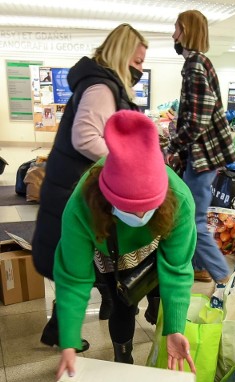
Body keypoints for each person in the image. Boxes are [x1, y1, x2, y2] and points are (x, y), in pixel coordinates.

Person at [54, 110, 197, 380]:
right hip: (111, 252)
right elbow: (73, 277)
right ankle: (123, 356)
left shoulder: (180, 198)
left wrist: (175, 328)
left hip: (154, 249)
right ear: (106, 196)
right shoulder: (81, 205)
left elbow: (177, 267)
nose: (139, 218)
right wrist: (70, 339)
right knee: (122, 305)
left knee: (158, 284)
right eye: (129, 209)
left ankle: (156, 307)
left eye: (147, 209)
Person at [32, 23, 148, 352]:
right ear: (121, 54)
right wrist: (128, 160)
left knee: (78, 260)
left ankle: (58, 327)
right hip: (75, 190)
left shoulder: (103, 83)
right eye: (137, 62)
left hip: (73, 186)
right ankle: (68, 324)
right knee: (80, 261)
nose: (139, 69)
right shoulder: (102, 86)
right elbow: (85, 138)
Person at [164, 9, 235, 284]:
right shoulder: (200, 62)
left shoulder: (194, 65)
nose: (173, 35)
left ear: (187, 31)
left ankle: (222, 275)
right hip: (205, 155)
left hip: (203, 156)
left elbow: (199, 116)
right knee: (192, 211)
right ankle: (199, 268)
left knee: (193, 219)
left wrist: (174, 144)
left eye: (176, 28)